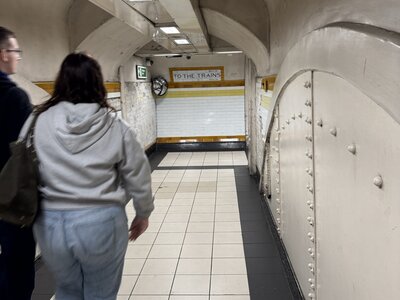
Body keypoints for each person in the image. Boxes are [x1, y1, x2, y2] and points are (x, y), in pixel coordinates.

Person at [23, 52, 154, 300]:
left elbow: (22, 163)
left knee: (67, 291)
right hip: (101, 223)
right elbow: (138, 173)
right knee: (101, 293)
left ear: (61, 81)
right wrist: (143, 212)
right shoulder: (115, 126)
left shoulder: (36, 121)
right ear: (98, 83)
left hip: (51, 225)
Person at [0, 26, 35, 300]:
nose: (17, 57)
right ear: (3, 54)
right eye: (15, 51)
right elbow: (25, 156)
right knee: (17, 268)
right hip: (10, 201)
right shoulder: (15, 97)